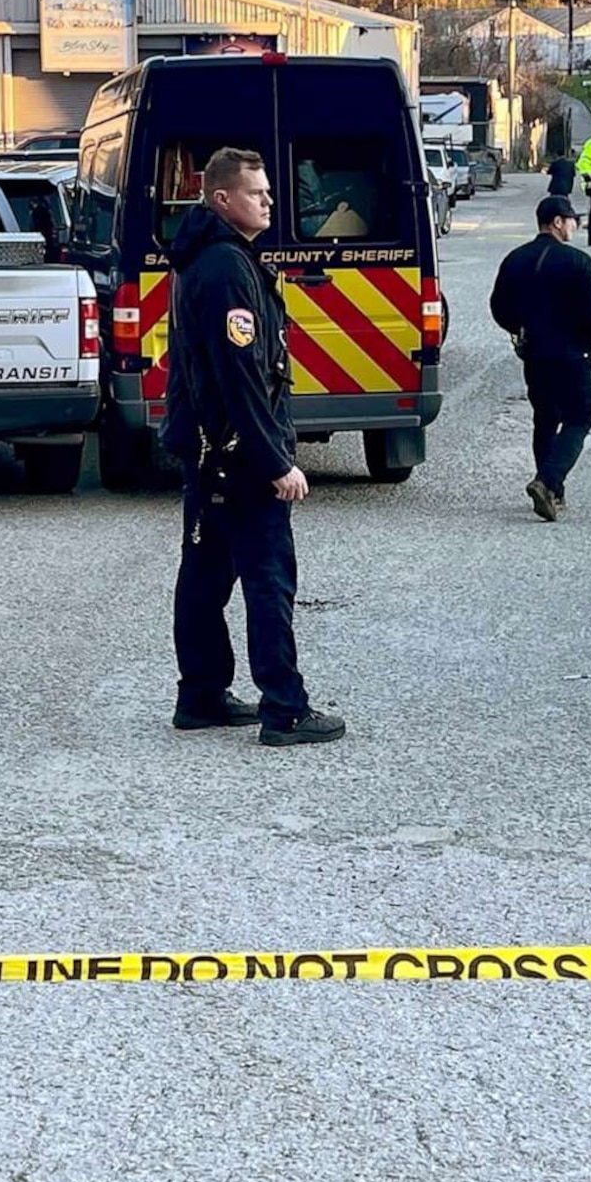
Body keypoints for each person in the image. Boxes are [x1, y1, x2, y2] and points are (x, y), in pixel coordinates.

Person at [163, 146, 346, 746]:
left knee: (206, 575)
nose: (269, 200)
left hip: (209, 449)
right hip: (236, 454)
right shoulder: (224, 268)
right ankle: (285, 709)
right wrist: (276, 461)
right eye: (256, 193)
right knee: (268, 579)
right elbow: (240, 373)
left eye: (267, 191)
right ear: (222, 199)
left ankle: (203, 694)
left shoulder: (216, 258)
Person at [488, 195, 591, 520]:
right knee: (579, 418)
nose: (575, 225)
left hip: (535, 355)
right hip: (573, 355)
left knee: (544, 418)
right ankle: (548, 481)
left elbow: (499, 307)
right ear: (557, 222)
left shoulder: (515, 259)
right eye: (572, 220)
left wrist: (520, 330)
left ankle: (550, 491)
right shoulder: (577, 262)